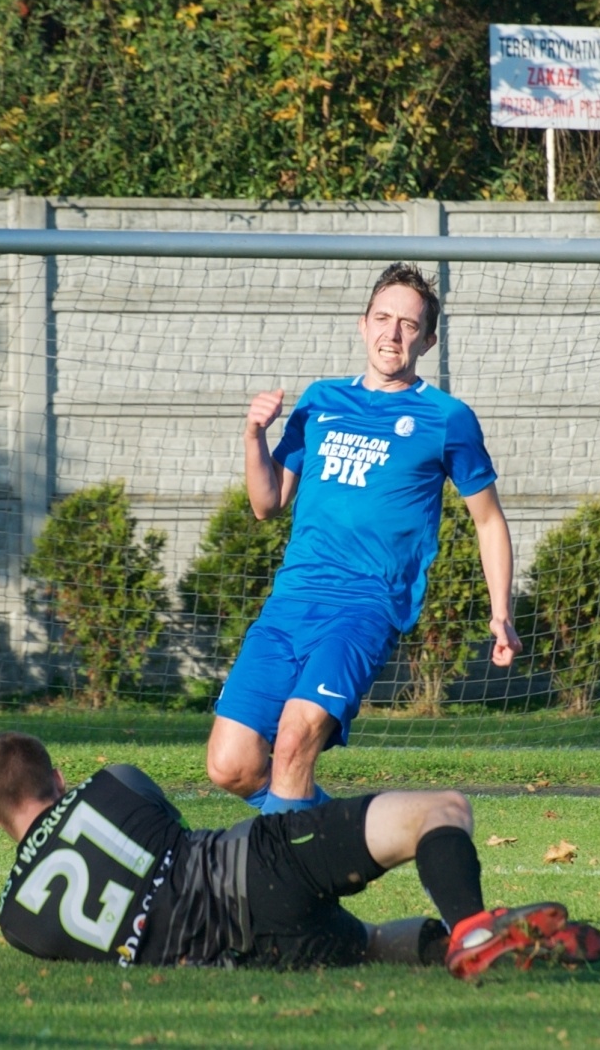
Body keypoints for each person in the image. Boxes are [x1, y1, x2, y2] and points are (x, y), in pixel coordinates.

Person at [207, 262, 521, 814]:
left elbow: (488, 520)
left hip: (366, 606)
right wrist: (253, 435)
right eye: (382, 318)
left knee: (295, 738)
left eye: (407, 324)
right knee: (231, 765)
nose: (392, 333)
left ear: (427, 339)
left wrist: (501, 613)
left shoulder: (447, 418)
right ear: (362, 324)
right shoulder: (320, 400)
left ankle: (286, 888)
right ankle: (336, 835)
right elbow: (266, 504)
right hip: (291, 600)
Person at [0, 731, 600, 977]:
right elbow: (173, 834)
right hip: (256, 867)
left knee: (367, 943)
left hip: (244, 955)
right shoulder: (114, 781)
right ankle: (472, 927)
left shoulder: (14, 923)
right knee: (441, 811)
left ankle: (456, 947)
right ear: (57, 780)